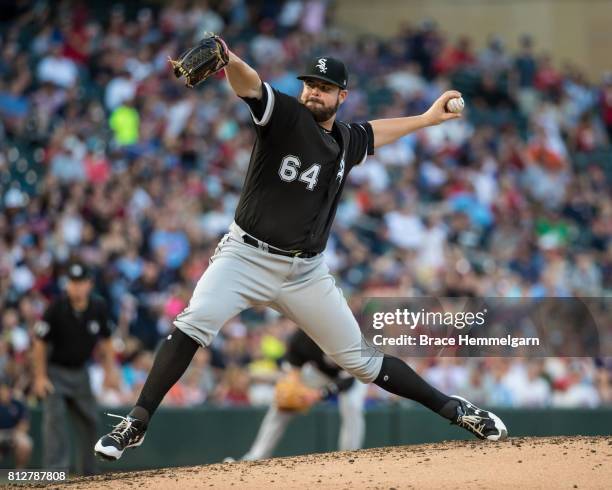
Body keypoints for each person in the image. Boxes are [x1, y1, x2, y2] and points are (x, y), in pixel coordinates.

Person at [95, 44, 507, 461]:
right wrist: (231, 60)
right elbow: (253, 88)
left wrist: (425, 119)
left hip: (305, 273)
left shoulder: (346, 139)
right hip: (245, 258)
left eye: (324, 88)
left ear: (341, 97)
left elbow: (374, 132)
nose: (313, 92)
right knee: (193, 322)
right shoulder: (286, 117)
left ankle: (456, 410)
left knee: (363, 362)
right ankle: (137, 422)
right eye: (310, 83)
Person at [33, 262, 114, 475]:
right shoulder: (56, 308)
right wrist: (40, 377)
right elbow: (39, 344)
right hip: (56, 372)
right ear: (67, 284)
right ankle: (54, 474)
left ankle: (89, 473)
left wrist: (110, 372)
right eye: (72, 282)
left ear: (89, 284)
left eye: (80, 282)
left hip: (81, 372)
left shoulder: (98, 307)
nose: (76, 287)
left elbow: (107, 342)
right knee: (55, 423)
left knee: (90, 420)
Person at [241, 329, 367, 461]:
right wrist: (294, 385)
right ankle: (256, 455)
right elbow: (293, 370)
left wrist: (320, 394)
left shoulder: (344, 334)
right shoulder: (301, 336)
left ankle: (350, 457)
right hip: (320, 374)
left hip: (354, 374)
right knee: (282, 402)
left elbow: (348, 380)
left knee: (352, 406)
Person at [0, 378, 32, 468]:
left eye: (5, 389)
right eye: (1, 389)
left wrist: (15, 434)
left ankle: (20, 471)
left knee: (25, 444)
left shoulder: (17, 403)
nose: (3, 392)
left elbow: (24, 423)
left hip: (14, 432)